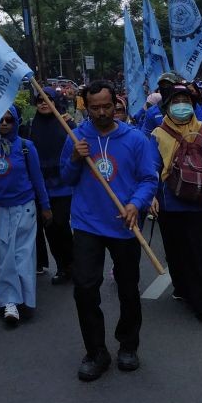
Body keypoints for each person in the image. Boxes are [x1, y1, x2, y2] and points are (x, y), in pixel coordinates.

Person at [59, 80, 160, 382]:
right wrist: (76, 159)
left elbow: (148, 179)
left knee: (129, 289)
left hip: (124, 224)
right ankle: (96, 351)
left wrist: (136, 204)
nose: (102, 112)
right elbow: (67, 178)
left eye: (106, 106)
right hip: (88, 224)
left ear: (115, 104)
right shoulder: (75, 137)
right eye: (94, 108)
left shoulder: (136, 139)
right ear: (85, 107)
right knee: (85, 289)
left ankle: (128, 345)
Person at [151, 84, 202, 325]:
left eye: (186, 100)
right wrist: (151, 197)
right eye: (175, 101)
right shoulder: (157, 135)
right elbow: (151, 171)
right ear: (166, 106)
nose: (181, 105)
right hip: (171, 207)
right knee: (179, 254)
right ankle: (185, 290)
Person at [0, 105, 51, 324]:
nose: (4, 123)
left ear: (16, 122)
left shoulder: (25, 147)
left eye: (9, 120)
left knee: (23, 255)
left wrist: (46, 205)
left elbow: (37, 178)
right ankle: (9, 302)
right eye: (0, 120)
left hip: (25, 207)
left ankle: (24, 299)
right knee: (4, 256)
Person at [30, 87, 76, 284]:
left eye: (48, 99)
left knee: (61, 225)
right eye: (39, 100)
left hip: (64, 185)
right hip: (40, 186)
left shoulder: (67, 123)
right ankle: (61, 267)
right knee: (49, 228)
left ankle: (72, 264)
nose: (43, 103)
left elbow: (79, 145)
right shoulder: (30, 126)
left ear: (56, 101)